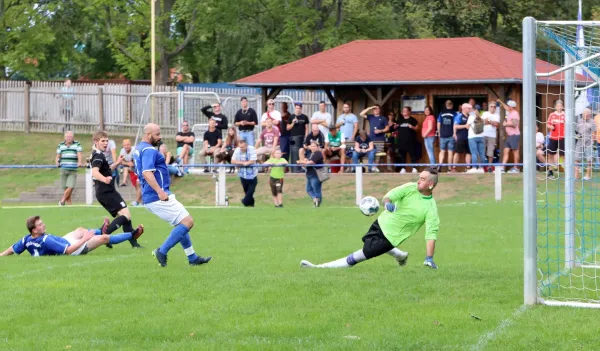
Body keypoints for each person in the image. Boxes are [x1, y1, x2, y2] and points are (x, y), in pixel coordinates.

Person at [301, 168, 440, 269]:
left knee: (359, 256)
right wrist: (387, 203)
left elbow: (431, 235)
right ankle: (400, 256)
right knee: (367, 244)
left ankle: (318, 268)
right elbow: (390, 195)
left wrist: (429, 258)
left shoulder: (430, 208)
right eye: (419, 177)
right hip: (380, 223)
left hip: (391, 238)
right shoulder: (410, 187)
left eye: (422, 179)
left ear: (431, 184)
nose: (418, 181)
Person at [134, 123, 212, 267]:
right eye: (157, 134)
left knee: (180, 223)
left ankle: (192, 258)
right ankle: (162, 251)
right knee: (188, 222)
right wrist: (160, 191)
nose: (160, 137)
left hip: (152, 195)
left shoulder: (138, 149)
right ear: (148, 134)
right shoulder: (149, 150)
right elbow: (146, 172)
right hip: (157, 195)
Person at [91, 130, 142, 249]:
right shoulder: (97, 155)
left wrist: (117, 162)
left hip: (107, 191)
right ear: (96, 141)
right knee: (126, 216)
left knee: (126, 216)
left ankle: (134, 244)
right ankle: (105, 234)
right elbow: (94, 172)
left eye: (107, 141)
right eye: (102, 141)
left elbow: (107, 168)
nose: (105, 143)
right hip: (106, 192)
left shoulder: (98, 153)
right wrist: (104, 179)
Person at [0, 216, 143, 257]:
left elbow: (12, 249)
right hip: (73, 248)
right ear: (34, 230)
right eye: (40, 225)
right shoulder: (46, 240)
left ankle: (100, 229)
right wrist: (85, 239)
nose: (43, 225)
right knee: (103, 239)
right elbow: (68, 251)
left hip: (64, 240)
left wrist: (1, 255)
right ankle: (132, 234)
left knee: (80, 229)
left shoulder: (27, 239)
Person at [56, 131, 83, 206]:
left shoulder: (77, 144)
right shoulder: (60, 145)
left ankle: (62, 201)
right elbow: (58, 156)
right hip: (63, 169)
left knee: (70, 186)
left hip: (73, 169)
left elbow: (79, 154)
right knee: (65, 189)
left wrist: (80, 162)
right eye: (67, 137)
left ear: (73, 137)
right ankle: (70, 206)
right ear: (65, 137)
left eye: (70, 137)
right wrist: (57, 162)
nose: (69, 138)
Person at [231, 139, 258, 207]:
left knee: (251, 191)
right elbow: (232, 161)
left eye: (243, 147)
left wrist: (247, 163)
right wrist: (243, 163)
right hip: (242, 174)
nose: (241, 149)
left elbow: (253, 160)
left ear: (246, 145)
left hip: (252, 175)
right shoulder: (237, 150)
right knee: (247, 192)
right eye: (240, 147)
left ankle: (245, 201)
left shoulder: (252, 149)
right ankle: (251, 205)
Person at [298, 142, 324, 207]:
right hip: (309, 174)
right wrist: (303, 162)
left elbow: (312, 162)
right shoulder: (310, 153)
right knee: (308, 190)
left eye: (314, 146)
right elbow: (305, 161)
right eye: (312, 146)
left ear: (317, 147)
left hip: (316, 175)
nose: (313, 147)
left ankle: (317, 204)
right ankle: (315, 200)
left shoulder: (318, 153)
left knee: (316, 190)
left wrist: (303, 162)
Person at [286, 103, 309, 171]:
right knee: (294, 153)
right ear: (295, 108)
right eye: (296, 108)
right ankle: (294, 169)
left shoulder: (304, 117)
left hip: (302, 138)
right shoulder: (291, 117)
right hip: (294, 138)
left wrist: (306, 137)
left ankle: (302, 168)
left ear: (301, 109)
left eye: (299, 108)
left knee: (302, 152)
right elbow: (287, 128)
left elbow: (307, 128)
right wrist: (293, 123)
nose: (298, 110)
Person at [575, 108, 596, 180]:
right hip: (580, 142)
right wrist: (577, 136)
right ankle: (576, 175)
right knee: (577, 158)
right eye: (584, 113)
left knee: (589, 159)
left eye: (587, 114)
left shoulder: (592, 122)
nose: (585, 115)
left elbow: (593, 133)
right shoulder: (579, 121)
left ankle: (587, 175)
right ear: (582, 114)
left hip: (589, 143)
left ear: (590, 114)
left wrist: (592, 142)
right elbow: (576, 132)